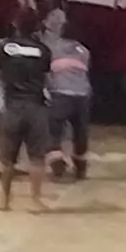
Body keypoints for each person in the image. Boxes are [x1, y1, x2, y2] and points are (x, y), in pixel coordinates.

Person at [0, 7, 51, 213]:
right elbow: (45, 74)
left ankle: (4, 198)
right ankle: (35, 200)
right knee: (37, 157)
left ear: (16, 24)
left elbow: (0, 70)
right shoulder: (43, 50)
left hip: (13, 106)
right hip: (36, 106)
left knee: (8, 158)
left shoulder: (5, 47)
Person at [47, 21, 91, 181]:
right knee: (80, 132)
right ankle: (80, 167)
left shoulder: (52, 48)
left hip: (59, 93)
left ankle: (58, 165)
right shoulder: (84, 51)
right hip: (82, 95)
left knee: (54, 132)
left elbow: (47, 70)